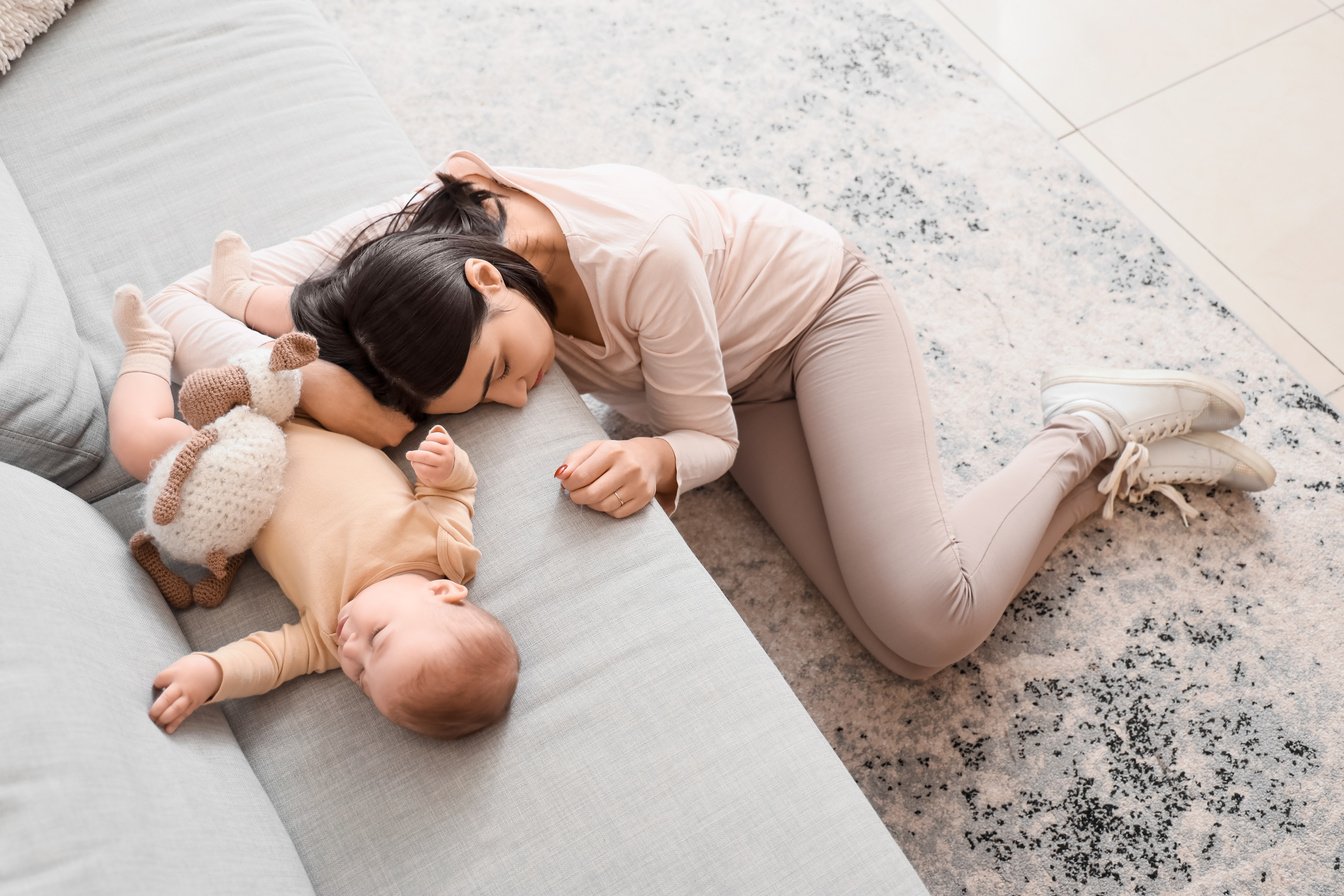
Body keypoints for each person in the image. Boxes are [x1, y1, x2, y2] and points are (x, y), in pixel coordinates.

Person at [146, 153, 1276, 679]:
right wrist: (330, 379)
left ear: (490, 280)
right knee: (907, 642)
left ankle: (1080, 424)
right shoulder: (419, 257)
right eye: (484, 400)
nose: (515, 400)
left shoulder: (638, 256)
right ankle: (1118, 447)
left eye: (499, 370)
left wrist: (652, 459)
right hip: (726, 376)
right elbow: (178, 300)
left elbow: (715, 442)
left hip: (813, 324)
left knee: (930, 614)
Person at [111, 276, 518, 738]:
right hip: (307, 416)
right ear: (443, 594)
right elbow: (457, 492)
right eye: (378, 639)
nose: (351, 650)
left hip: (227, 475)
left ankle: (145, 350)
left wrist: (212, 673)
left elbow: (270, 660)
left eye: (361, 678)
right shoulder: (446, 552)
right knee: (315, 346)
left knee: (138, 442)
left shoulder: (324, 635)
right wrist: (447, 468)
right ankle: (243, 289)